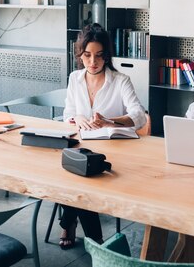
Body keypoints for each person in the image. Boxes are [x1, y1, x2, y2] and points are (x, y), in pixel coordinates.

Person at [60, 23, 146, 249]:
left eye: (98, 56)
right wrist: (77, 118)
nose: (92, 62)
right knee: (73, 172)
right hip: (81, 146)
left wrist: (110, 121)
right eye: (87, 55)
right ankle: (95, 240)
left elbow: (139, 117)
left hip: (112, 150)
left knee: (79, 176)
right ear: (80, 54)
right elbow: (67, 114)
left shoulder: (120, 80)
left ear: (106, 56)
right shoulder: (74, 78)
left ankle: (68, 224)